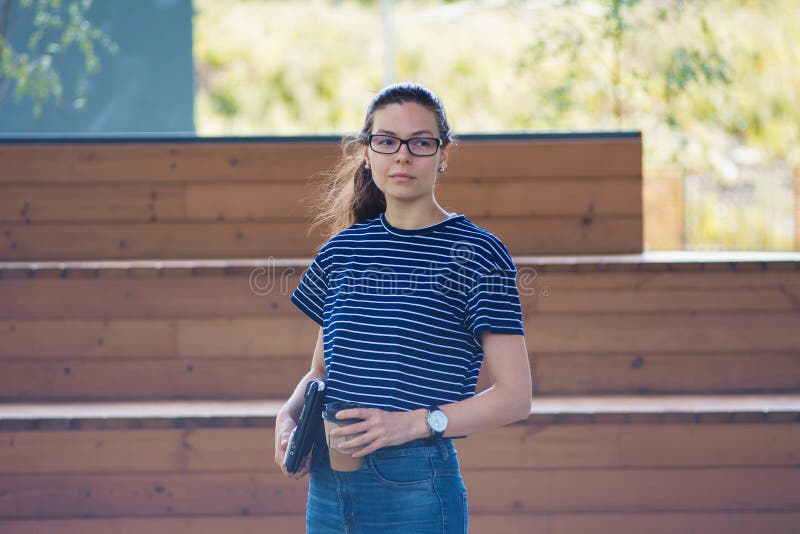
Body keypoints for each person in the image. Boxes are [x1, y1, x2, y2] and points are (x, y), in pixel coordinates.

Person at [274, 82, 532, 533]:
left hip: (415, 486)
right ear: (366, 151)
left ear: (443, 153)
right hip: (328, 483)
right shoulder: (343, 249)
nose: (403, 155)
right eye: (387, 141)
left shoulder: (477, 252)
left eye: (421, 142)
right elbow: (321, 373)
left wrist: (413, 424)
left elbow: (516, 397)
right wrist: (289, 413)